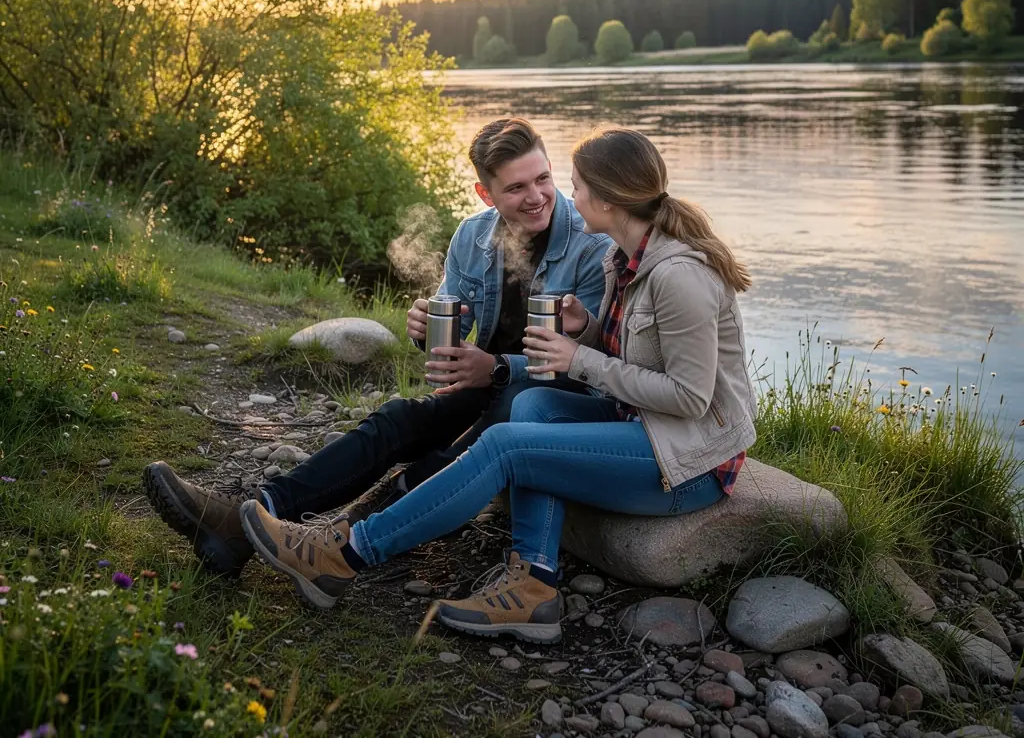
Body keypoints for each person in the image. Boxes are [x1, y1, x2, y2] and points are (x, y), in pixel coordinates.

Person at [237, 127, 758, 643]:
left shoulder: (677, 274)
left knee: (507, 442)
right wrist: (588, 329)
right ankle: (533, 585)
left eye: (572, 185)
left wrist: (579, 358)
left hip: (688, 463)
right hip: (639, 426)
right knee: (531, 408)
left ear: (606, 198)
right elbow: (634, 353)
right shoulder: (619, 258)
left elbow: (690, 398)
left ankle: (346, 555)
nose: (565, 196)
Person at [143, 118, 611, 578]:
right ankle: (263, 507)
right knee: (397, 420)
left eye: (543, 178)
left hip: (549, 396)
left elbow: (585, 363)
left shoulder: (591, 245)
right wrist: (424, 329)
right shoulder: (473, 236)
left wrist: (498, 368)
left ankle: (323, 540)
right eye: (516, 188)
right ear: (485, 194)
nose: (537, 196)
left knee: (482, 430)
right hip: (487, 384)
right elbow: (455, 323)